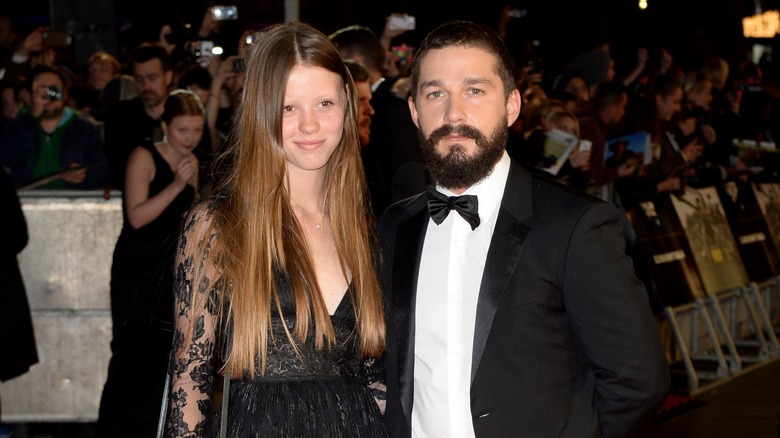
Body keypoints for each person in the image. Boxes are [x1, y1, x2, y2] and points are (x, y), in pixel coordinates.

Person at [378, 20, 670, 438]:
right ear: (414, 111)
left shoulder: (575, 226)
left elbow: (639, 378)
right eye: (435, 93)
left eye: (474, 91)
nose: (453, 113)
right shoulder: (394, 226)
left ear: (512, 106)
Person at [163, 22, 387, 437]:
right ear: (261, 112)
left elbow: (373, 374)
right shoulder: (218, 225)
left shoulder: (363, 227)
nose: (309, 125)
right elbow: (190, 377)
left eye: (324, 103)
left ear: (347, 106)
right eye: (288, 107)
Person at [97, 90, 202, 438]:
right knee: (130, 358)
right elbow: (137, 216)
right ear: (165, 126)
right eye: (183, 130)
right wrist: (177, 184)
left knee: (163, 357)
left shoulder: (193, 162)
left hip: (171, 272)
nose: (190, 138)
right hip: (137, 270)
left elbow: (190, 217)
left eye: (197, 130)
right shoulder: (143, 155)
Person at [0, 64, 108, 189]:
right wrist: (32, 118)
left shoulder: (84, 129)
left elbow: (103, 171)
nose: (48, 95)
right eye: (41, 90)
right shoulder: (18, 126)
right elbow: (8, 159)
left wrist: (85, 175)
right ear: (31, 95)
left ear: (65, 94)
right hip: (25, 202)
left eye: (54, 90)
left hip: (71, 203)